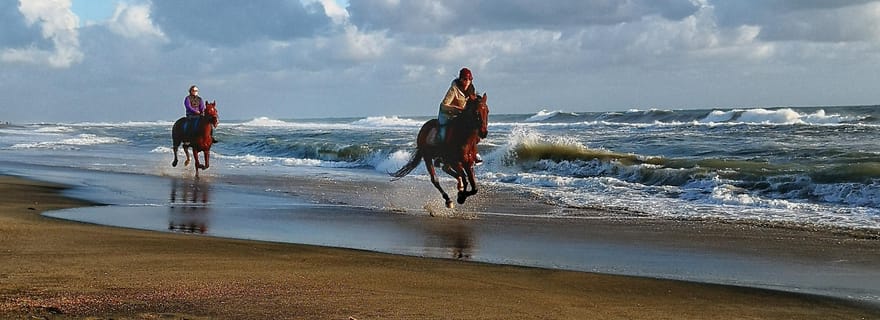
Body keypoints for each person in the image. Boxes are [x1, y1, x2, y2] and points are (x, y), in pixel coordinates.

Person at [437, 67, 482, 163]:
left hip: (460, 115)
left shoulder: (471, 89)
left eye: (470, 79)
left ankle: (474, 152)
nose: (467, 82)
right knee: (442, 133)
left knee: (473, 130)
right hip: (447, 114)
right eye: (465, 79)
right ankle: (440, 155)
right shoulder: (454, 89)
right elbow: (444, 105)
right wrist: (456, 108)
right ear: (461, 79)